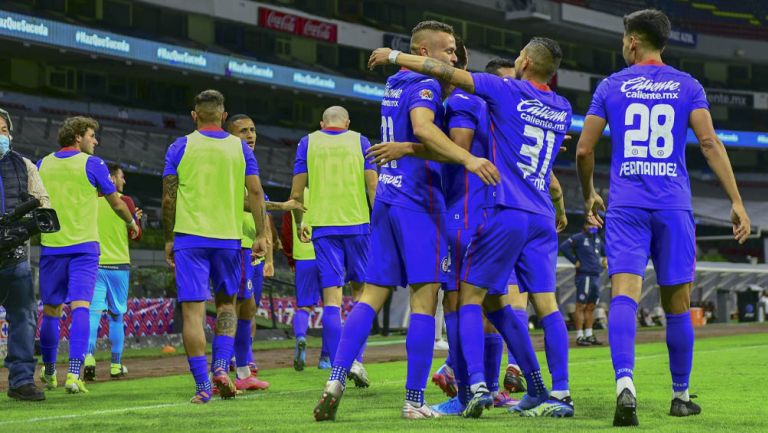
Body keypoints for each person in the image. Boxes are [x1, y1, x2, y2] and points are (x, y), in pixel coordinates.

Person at [368, 35, 574, 418]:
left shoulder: (487, 94)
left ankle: (474, 387)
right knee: (533, 306)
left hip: (485, 208)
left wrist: (396, 57)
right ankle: (552, 391)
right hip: (540, 214)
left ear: (525, 62)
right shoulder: (561, 106)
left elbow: (451, 130)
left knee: (464, 299)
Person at [313, 20, 498, 422]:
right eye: (447, 50)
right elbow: (423, 128)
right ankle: (414, 400)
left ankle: (336, 378)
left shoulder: (394, 82)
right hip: (419, 202)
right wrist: (467, 158)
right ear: (424, 50)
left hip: (388, 199)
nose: (453, 56)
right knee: (423, 300)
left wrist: (406, 147)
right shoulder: (423, 85)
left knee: (370, 296)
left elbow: (408, 134)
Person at [575, 9, 751, 426]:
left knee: (624, 293)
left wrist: (589, 195)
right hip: (673, 206)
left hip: (626, 205)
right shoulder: (687, 85)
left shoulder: (610, 85)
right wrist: (737, 201)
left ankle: (624, 383)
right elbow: (708, 142)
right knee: (677, 304)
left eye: (623, 40)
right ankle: (680, 395)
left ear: (632, 41)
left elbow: (584, 149)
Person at [162, 90, 267, 403]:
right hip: (228, 240)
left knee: (193, 313)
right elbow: (257, 192)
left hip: (189, 239)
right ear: (223, 117)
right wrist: (261, 234)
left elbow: (169, 197)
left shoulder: (179, 146)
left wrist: (169, 238)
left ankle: (202, 387)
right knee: (226, 306)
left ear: (194, 116)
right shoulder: (239, 148)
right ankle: (221, 366)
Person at [37, 116, 139, 394]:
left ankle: (48, 372)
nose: (96, 141)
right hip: (84, 248)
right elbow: (117, 203)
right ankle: (73, 375)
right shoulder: (93, 164)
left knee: (51, 312)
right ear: (78, 136)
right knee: (81, 307)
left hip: (51, 246)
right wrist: (132, 223)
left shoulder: (42, 164)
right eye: (92, 135)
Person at [291, 106, 378, 388]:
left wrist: (300, 222)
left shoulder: (308, 142)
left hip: (324, 228)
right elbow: (373, 186)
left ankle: (338, 368)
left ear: (322, 123)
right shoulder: (361, 141)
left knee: (331, 300)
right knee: (362, 296)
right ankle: (357, 361)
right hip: (358, 226)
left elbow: (295, 193)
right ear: (348, 123)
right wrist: (377, 223)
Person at [0, 107, 50, 401]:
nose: (0, 136)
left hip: (15, 257)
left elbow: (43, 204)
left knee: (24, 318)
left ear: (11, 134)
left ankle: (21, 381)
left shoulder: (26, 165)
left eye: (3, 130)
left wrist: (23, 229)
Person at [83, 164, 143, 381]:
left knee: (92, 314)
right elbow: (136, 235)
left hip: (95, 264)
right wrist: (137, 220)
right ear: (110, 178)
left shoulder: (89, 200)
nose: (124, 181)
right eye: (121, 177)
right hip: (119, 265)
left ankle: (88, 358)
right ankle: (116, 365)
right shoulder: (125, 202)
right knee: (117, 316)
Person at [559, 222, 607, 346]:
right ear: (584, 225)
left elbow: (606, 251)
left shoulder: (597, 239)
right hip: (584, 276)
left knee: (591, 306)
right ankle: (579, 336)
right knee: (580, 305)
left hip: (596, 275)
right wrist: (575, 260)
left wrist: (605, 259)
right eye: (591, 224)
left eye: (596, 225)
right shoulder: (578, 237)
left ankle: (589, 334)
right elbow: (563, 247)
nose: (594, 227)